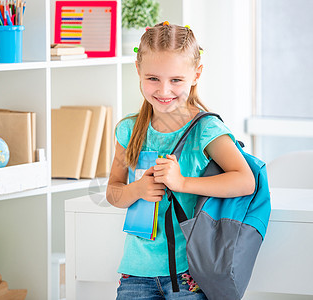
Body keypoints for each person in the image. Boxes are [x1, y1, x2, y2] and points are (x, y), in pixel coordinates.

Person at [106, 22, 255, 300]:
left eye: (176, 80)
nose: (164, 90)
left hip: (189, 274)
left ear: (196, 75)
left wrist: (182, 182)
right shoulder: (128, 130)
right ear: (138, 70)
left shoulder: (206, 130)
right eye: (153, 79)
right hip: (136, 272)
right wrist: (137, 190)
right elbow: (113, 192)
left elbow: (245, 181)